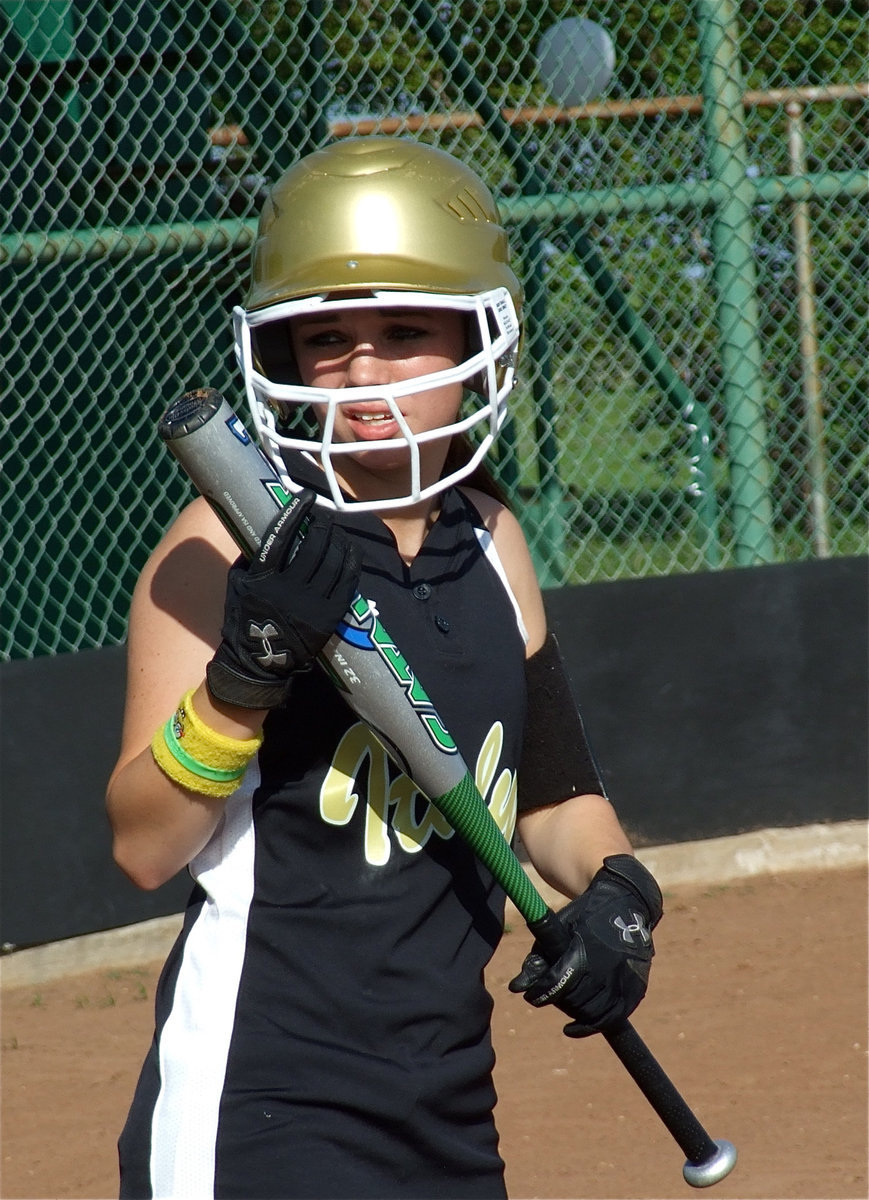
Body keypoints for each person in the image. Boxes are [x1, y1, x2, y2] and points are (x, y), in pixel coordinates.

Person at [107, 136, 663, 1200]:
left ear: (476, 338)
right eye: (327, 340)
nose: (362, 373)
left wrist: (620, 898)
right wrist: (244, 680)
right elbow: (142, 844)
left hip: (447, 1107)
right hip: (264, 1106)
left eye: (405, 334)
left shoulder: (490, 538)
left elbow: (552, 798)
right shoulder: (224, 544)